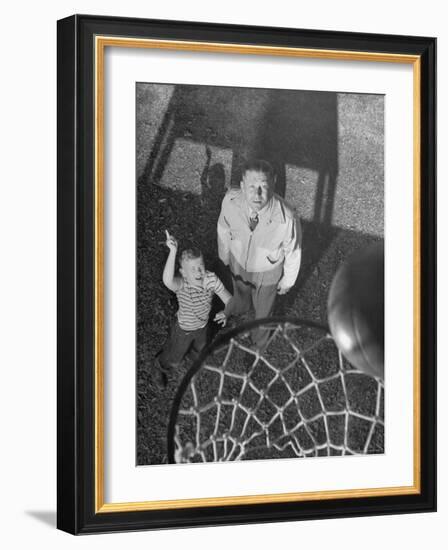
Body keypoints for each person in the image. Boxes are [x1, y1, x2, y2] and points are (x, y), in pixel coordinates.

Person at [217, 159, 302, 349]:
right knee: (240, 292)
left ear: (274, 183)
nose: (257, 194)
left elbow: (293, 251)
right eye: (251, 186)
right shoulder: (230, 201)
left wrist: (287, 281)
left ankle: (259, 344)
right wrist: (223, 254)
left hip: (267, 272)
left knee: (263, 314)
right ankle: (241, 307)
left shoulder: (287, 218)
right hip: (238, 262)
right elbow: (223, 228)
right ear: (241, 186)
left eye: (263, 186)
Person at [157, 230, 232, 386]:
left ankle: (193, 359)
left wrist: (226, 312)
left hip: (203, 327)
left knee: (199, 349)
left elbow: (228, 299)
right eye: (193, 269)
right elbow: (167, 281)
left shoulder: (210, 278)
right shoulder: (182, 284)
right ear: (183, 273)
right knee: (174, 357)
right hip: (184, 329)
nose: (199, 271)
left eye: (201, 266)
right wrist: (173, 252)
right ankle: (161, 367)